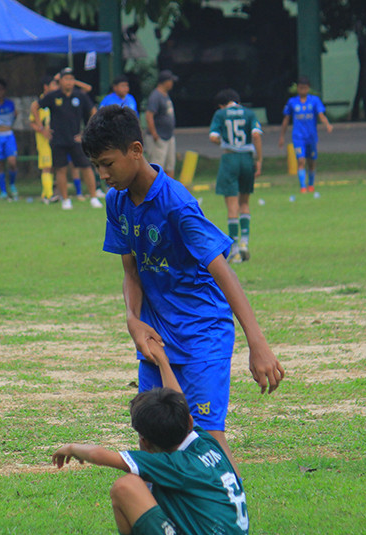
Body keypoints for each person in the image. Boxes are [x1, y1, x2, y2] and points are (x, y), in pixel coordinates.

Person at [81, 105, 284, 475]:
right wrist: (133, 320)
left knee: (204, 440)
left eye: (108, 163)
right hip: (157, 336)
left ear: (136, 151)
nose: (103, 174)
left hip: (201, 332)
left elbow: (225, 274)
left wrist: (258, 343)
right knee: (155, 438)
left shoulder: (177, 205)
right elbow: (131, 271)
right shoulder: (117, 202)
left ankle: (232, 519)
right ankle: (176, 526)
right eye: (97, 166)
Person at [1, 340, 250, 535]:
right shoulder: (204, 442)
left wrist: (72, 447)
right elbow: (180, 401)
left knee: (127, 487)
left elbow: (103, 456)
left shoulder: (174, 464)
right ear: (188, 421)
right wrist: (163, 362)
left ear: (144, 442)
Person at [29, 67, 102, 210]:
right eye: (66, 79)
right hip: (58, 139)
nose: (69, 82)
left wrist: (86, 131)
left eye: (71, 79)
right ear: (60, 81)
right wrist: (42, 128)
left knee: (86, 167)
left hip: (76, 139)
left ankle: (93, 197)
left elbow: (93, 111)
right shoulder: (53, 96)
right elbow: (35, 107)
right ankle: (65, 200)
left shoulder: (80, 96)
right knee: (60, 169)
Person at [209, 88, 263, 265]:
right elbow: (256, 135)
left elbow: (213, 137)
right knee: (245, 202)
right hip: (247, 159)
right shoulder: (249, 113)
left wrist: (224, 141)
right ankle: (245, 243)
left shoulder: (221, 114)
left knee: (232, 205)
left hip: (230, 158)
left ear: (223, 104)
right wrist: (259, 159)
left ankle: (234, 251)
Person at [277, 75, 333, 194]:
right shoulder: (292, 102)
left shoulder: (314, 100)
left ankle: (311, 184)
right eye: (301, 88)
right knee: (301, 160)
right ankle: (303, 187)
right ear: (298, 88)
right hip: (298, 137)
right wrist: (282, 136)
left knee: (311, 162)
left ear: (308, 88)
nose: (303, 90)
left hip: (311, 136)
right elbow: (286, 119)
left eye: (305, 88)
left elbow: (321, 114)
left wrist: (327, 124)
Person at [145, 70, 178, 178]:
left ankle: (169, 192)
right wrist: (154, 134)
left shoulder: (165, 95)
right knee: (157, 168)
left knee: (170, 166)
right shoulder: (156, 96)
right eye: (171, 81)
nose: (172, 83)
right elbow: (149, 115)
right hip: (159, 137)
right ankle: (156, 193)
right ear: (165, 82)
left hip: (168, 136)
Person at [30, 75, 57, 203]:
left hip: (56, 139)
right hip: (43, 140)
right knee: (47, 166)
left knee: (52, 167)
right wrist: (42, 129)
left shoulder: (55, 101)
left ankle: (45, 194)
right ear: (46, 87)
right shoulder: (40, 103)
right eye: (54, 84)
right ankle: (49, 195)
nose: (56, 87)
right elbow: (32, 122)